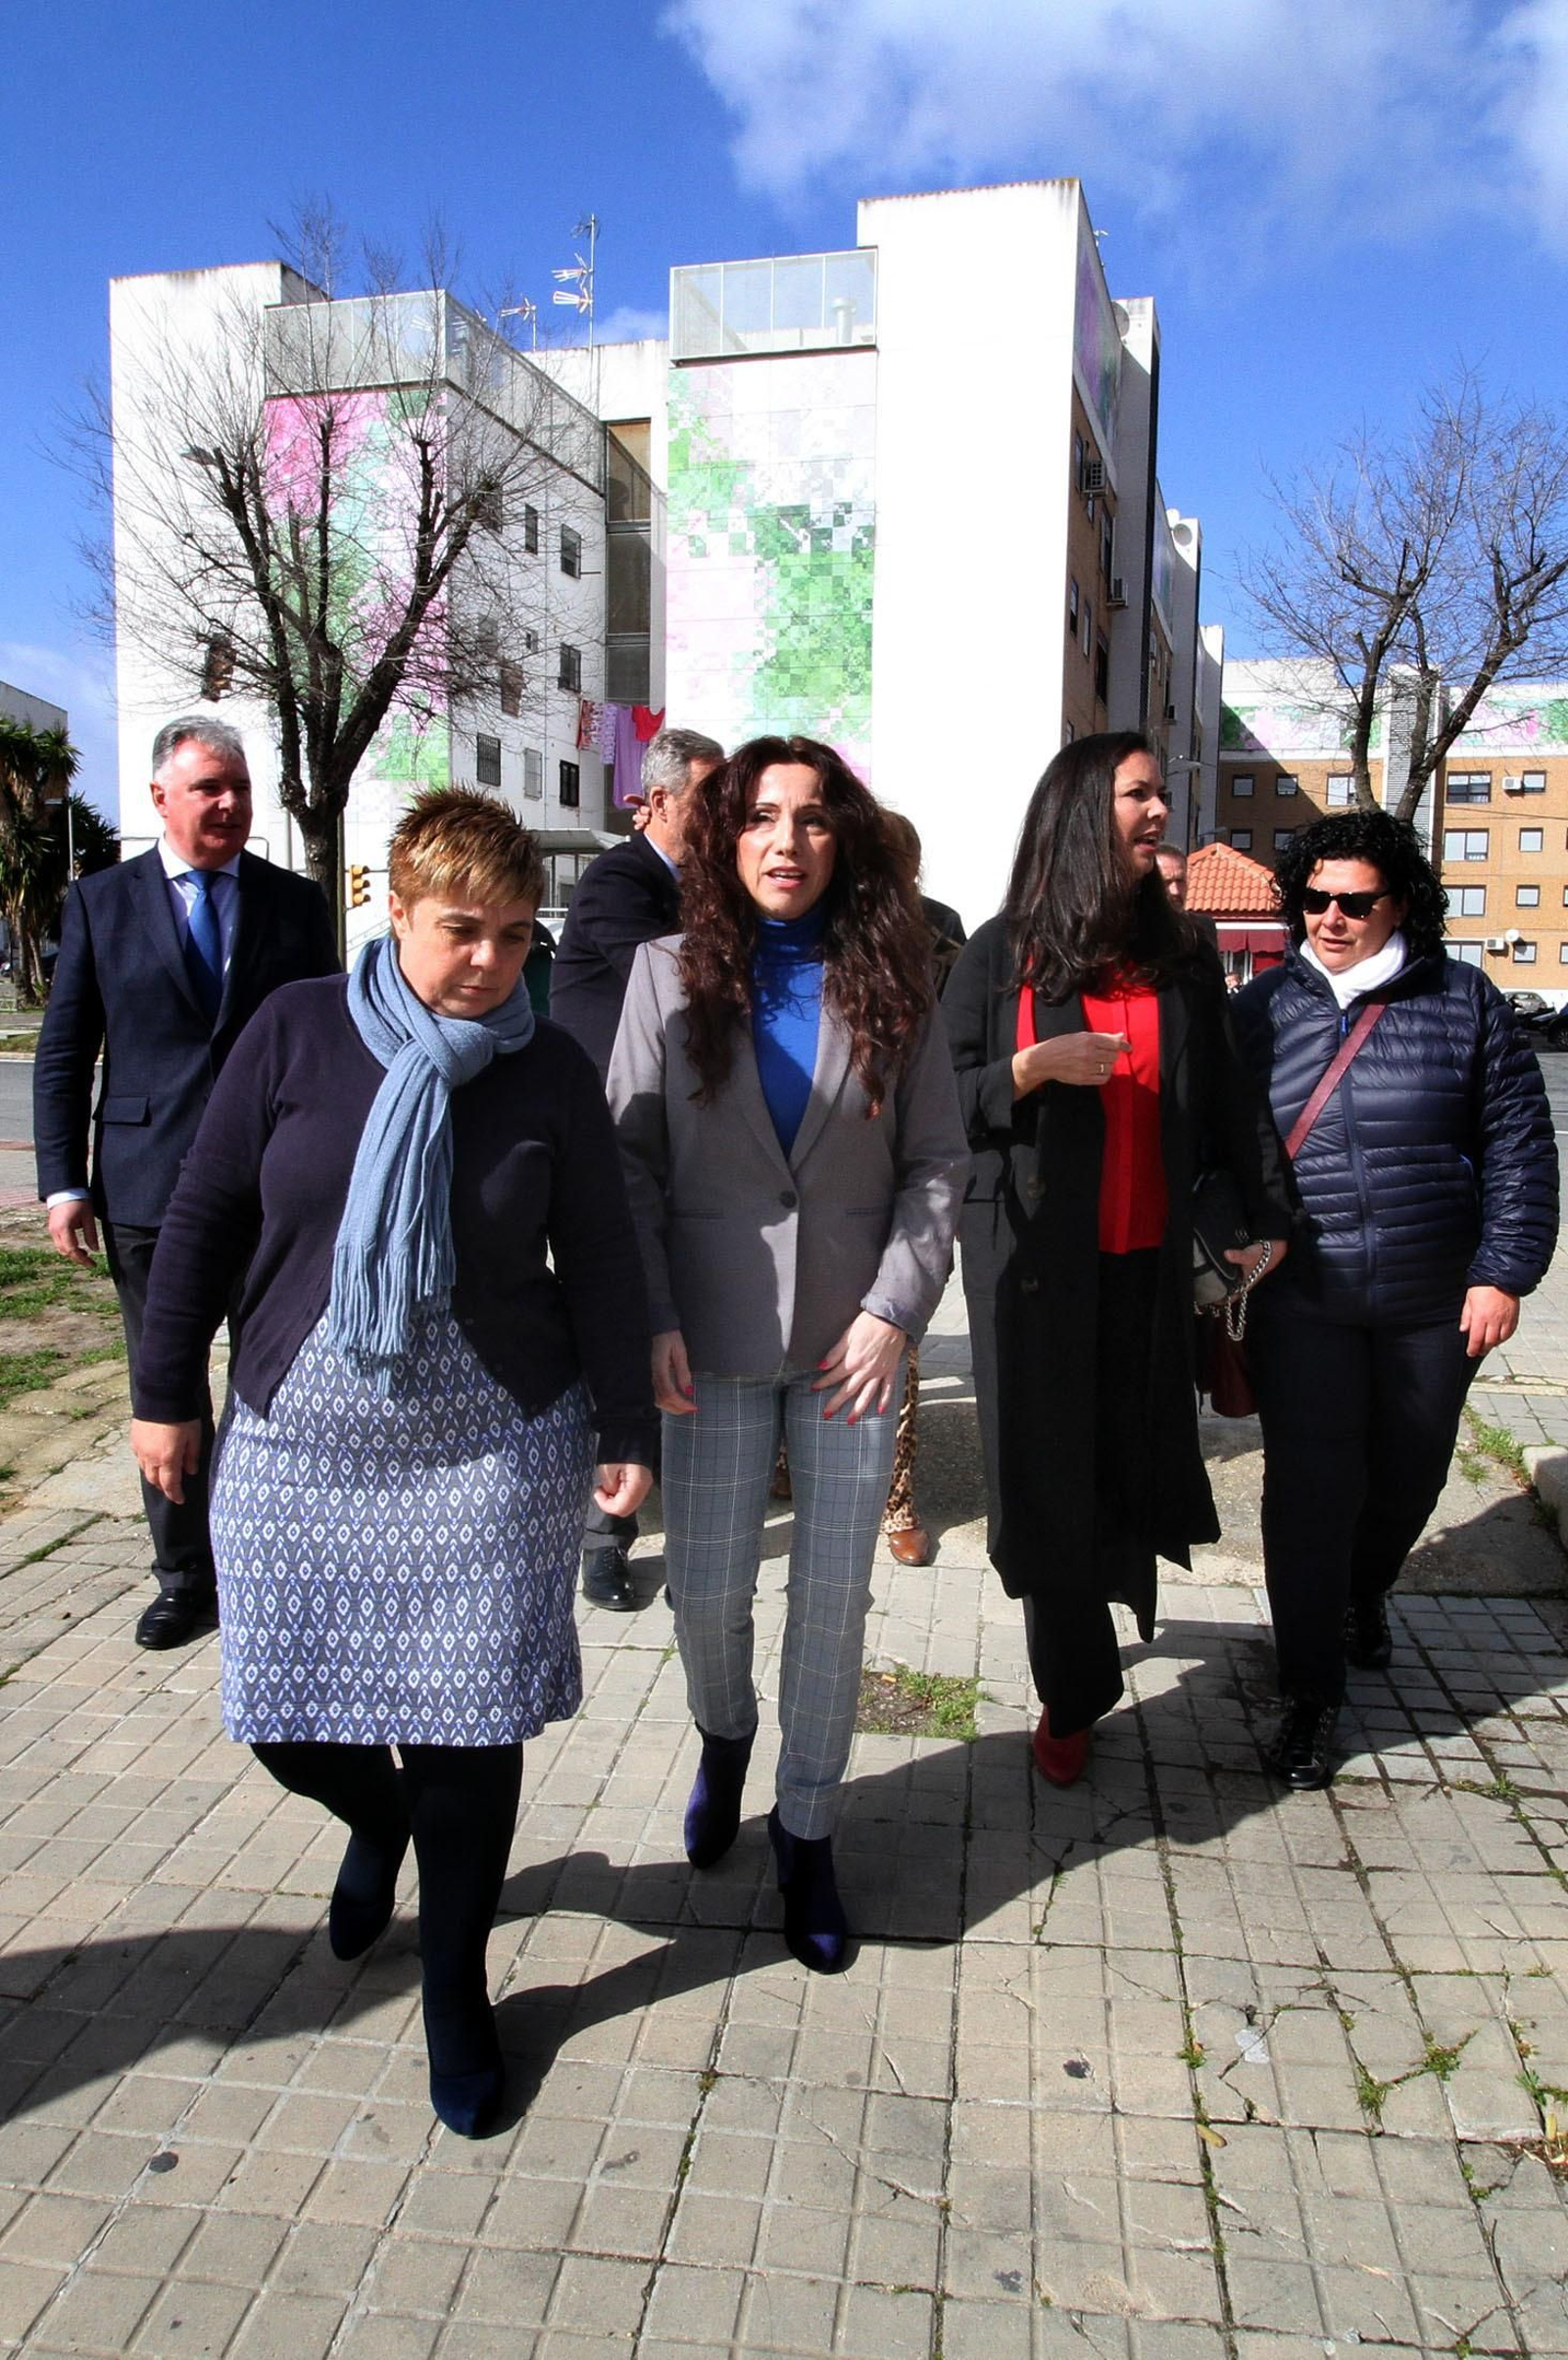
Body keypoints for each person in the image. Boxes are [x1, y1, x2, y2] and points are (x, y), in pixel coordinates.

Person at [127, 788, 656, 2137]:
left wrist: (628, 1426)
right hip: (300, 1439)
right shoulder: (296, 1029)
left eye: (515, 934)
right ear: (395, 909)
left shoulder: (546, 1067)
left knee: (468, 1734)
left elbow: (601, 1250)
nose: (491, 961)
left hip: (492, 1448)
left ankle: (456, 1987)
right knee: (285, 1715)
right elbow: (204, 1212)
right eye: (461, 929)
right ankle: (379, 1819)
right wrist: (163, 1394)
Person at [609, 736, 967, 1973]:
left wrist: (894, 1309)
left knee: (832, 1597)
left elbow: (937, 1162)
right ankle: (724, 1735)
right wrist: (650, 1313)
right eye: (761, 815)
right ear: (725, 836)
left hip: (849, 1348)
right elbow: (626, 1162)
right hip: (702, 1344)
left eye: (813, 818)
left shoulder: (896, 979)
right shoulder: (662, 974)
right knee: (708, 1590)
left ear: (842, 838)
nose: (786, 840)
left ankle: (807, 1825)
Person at [944, 732, 1294, 1787]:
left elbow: (1230, 1099)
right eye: (1139, 793)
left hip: (1147, 1271)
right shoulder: (1000, 952)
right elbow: (934, 1104)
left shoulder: (1181, 955)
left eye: (1159, 793)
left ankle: (1103, 1620)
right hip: (1034, 1269)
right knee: (1048, 1478)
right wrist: (1028, 1069)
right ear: (1082, 809)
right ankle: (1073, 1688)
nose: (1159, 810)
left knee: (1124, 1462)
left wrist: (1270, 1213)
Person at [1233, 810, 1557, 1789]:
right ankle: (1309, 1691)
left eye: (1354, 901)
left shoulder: (1464, 1000)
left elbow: (1519, 1145)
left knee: (1410, 1473)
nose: (1330, 918)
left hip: (1433, 1299)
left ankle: (1363, 1587)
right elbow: (1215, 1145)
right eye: (1313, 899)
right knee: (1307, 1491)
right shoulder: (1260, 1009)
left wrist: (1502, 1271)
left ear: (1401, 903)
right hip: (1303, 1298)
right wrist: (1230, 1226)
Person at [33, 716, 339, 1651]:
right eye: (210, 787)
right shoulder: (101, 902)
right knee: (165, 1382)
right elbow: (64, 1052)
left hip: (272, 1193)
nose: (230, 804)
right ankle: (183, 1577)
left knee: (274, 1380)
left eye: (239, 787)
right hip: (147, 1187)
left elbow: (330, 1044)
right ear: (160, 796)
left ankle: (264, 1559)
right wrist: (62, 1183)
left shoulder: (295, 903)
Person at [550, 725, 724, 1609]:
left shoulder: (702, 885)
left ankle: (681, 1515)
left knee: (675, 1328)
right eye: (710, 799)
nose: (728, 818)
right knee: (623, 1327)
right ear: (656, 802)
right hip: (609, 1146)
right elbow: (690, 983)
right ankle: (601, 1536)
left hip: (678, 1143)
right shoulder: (619, 884)